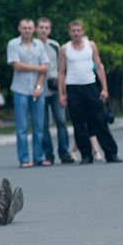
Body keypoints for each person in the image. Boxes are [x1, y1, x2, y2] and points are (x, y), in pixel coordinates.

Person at [57, 20, 122, 164]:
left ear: (82, 31)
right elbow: (61, 72)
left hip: (90, 86)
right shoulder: (64, 48)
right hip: (73, 87)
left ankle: (111, 153)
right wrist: (62, 93)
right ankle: (86, 155)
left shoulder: (90, 45)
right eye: (73, 30)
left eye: (78, 30)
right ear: (69, 32)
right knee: (78, 122)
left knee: (99, 120)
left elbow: (99, 67)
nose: (76, 33)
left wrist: (104, 89)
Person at [7, 18, 49, 167]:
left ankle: (39, 157)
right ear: (19, 29)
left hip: (37, 91)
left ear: (34, 30)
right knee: (22, 127)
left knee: (39, 126)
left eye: (30, 28)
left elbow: (45, 67)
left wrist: (38, 87)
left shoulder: (39, 45)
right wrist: (38, 68)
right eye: (24, 28)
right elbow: (17, 66)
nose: (27, 30)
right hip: (20, 90)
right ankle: (24, 159)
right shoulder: (13, 44)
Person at [35, 17, 74, 164]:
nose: (43, 30)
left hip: (54, 89)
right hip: (39, 91)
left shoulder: (55, 46)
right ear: (36, 29)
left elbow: (61, 69)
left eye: (46, 27)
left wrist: (63, 91)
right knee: (43, 124)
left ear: (49, 30)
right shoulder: (33, 45)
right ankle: (48, 154)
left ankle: (64, 153)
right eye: (41, 27)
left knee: (61, 120)